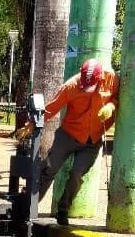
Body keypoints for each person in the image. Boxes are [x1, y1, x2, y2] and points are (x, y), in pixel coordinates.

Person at [37, 58, 119, 225]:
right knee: (49, 169)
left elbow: (117, 98)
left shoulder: (112, 80)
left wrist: (111, 107)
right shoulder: (72, 85)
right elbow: (52, 107)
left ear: (100, 77)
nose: (87, 89)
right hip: (68, 134)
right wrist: (31, 125)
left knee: (76, 174)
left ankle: (63, 209)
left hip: (92, 140)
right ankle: (30, 204)